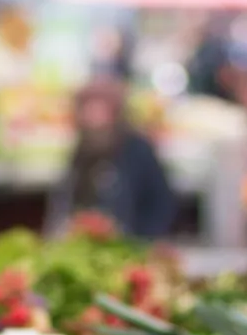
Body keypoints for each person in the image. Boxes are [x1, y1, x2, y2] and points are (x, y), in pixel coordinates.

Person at [44, 75, 178, 240]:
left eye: (100, 111)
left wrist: (142, 242)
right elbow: (66, 201)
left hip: (132, 241)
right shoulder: (82, 148)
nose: (94, 119)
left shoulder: (138, 149)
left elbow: (160, 204)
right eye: (88, 110)